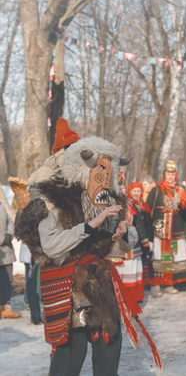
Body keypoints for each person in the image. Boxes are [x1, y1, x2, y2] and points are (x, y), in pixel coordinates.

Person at [13, 135, 162, 374]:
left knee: (109, 348)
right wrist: (90, 226)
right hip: (69, 285)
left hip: (102, 284)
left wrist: (125, 232)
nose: (103, 180)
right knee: (71, 356)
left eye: (107, 174)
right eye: (98, 173)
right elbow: (50, 245)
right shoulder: (53, 198)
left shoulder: (109, 199)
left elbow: (126, 245)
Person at [143, 161, 186, 297]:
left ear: (175, 175)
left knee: (170, 257)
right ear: (164, 174)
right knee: (158, 256)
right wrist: (149, 231)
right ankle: (155, 284)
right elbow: (147, 211)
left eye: (172, 174)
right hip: (160, 229)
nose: (170, 177)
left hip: (174, 230)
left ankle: (168, 284)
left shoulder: (179, 191)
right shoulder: (157, 189)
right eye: (168, 174)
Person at [110, 182, 149, 303]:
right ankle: (120, 296)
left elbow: (139, 225)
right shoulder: (109, 204)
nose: (120, 191)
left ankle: (134, 297)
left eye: (122, 188)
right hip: (116, 244)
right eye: (118, 188)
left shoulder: (130, 204)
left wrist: (145, 240)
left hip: (133, 244)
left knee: (132, 269)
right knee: (120, 271)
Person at [0, 202, 20, 319]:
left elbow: (10, 222)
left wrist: (9, 234)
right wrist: (2, 239)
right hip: (2, 247)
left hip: (6, 251)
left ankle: (5, 307)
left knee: (7, 279)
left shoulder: (1, 205)